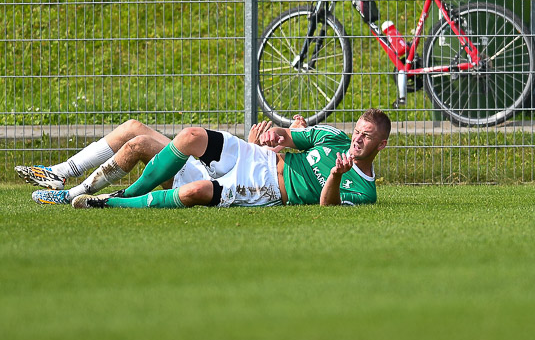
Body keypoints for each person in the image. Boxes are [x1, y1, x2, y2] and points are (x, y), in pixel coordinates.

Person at [69, 108, 390, 209]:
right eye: (357, 131)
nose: (357, 139)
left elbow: (326, 206)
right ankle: (114, 193)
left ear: (381, 145)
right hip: (259, 157)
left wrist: (335, 175)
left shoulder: (365, 192)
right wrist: (276, 135)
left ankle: (110, 203)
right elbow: (291, 137)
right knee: (191, 136)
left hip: (266, 188)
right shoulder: (334, 137)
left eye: (366, 136)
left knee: (195, 191)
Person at [17, 117, 305, 205]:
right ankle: (60, 172)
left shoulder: (313, 169)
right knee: (132, 127)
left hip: (207, 178)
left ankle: (71, 195)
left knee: (138, 145)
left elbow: (260, 174)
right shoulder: (311, 144)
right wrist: (291, 133)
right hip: (208, 164)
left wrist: (255, 145)